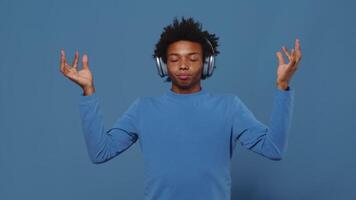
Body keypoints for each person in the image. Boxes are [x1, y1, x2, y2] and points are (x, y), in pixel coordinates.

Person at [59, 17, 302, 200]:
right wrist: (88, 91)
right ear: (163, 65)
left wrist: (282, 86)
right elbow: (100, 152)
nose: (183, 65)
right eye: (174, 59)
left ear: (207, 63)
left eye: (192, 58)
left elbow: (273, 148)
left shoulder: (229, 107)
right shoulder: (143, 109)